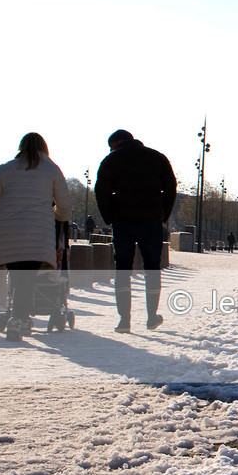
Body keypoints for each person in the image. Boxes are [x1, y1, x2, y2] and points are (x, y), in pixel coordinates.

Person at [0, 133, 72, 341]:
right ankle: (18, 319)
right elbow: (65, 206)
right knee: (26, 274)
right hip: (37, 232)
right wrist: (56, 216)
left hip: (9, 231)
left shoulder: (5, 168)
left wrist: (10, 211)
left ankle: (19, 316)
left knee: (18, 273)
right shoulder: (51, 169)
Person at [94, 130, 177, 333]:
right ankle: (151, 317)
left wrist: (109, 216)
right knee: (152, 269)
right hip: (151, 220)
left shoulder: (111, 160)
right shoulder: (157, 157)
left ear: (117, 143)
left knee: (122, 269)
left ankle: (124, 320)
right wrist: (163, 213)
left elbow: (101, 190)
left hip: (123, 220)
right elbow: (171, 187)